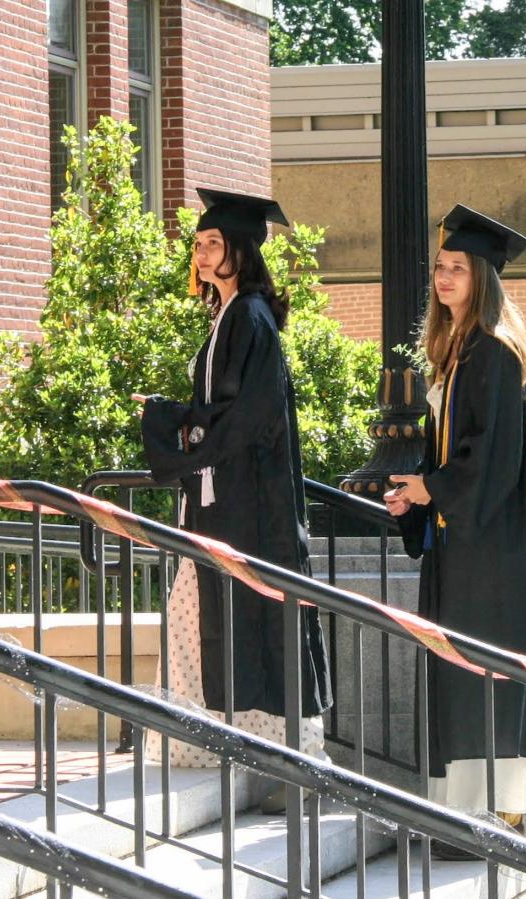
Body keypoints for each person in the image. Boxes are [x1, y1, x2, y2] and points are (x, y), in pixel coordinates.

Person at [137, 190, 331, 812]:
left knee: (245, 619)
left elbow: (245, 417)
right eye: (196, 244)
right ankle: (216, 746)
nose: (199, 254)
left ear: (242, 253)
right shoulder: (230, 317)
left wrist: (176, 426)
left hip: (250, 507)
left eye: (212, 244)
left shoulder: (248, 317)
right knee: (202, 616)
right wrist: (184, 426)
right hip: (227, 501)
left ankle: (282, 762)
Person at [384, 205, 526, 861]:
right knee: (456, 677)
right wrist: (417, 496)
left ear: (481, 276)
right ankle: (458, 821)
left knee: (481, 678)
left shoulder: (494, 354)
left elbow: (488, 460)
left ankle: (491, 824)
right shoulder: (459, 352)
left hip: (487, 552)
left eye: (457, 268)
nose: (444, 278)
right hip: (460, 546)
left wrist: (433, 489)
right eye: (440, 267)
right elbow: (450, 453)